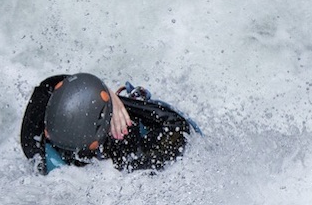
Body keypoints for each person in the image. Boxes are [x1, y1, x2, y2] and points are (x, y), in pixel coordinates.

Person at [20, 73, 200, 174]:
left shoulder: (33, 145)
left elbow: (48, 86)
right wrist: (116, 103)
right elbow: (179, 126)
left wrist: (109, 97)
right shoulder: (129, 155)